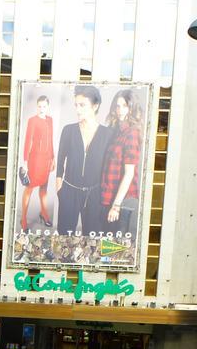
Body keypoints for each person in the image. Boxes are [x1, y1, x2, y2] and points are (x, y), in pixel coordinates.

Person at [55, 85, 114, 237]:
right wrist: (59, 187)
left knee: (92, 238)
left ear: (95, 106)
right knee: (64, 237)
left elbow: (109, 167)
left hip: (94, 193)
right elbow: (60, 160)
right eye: (76, 105)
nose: (78, 109)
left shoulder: (107, 134)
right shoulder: (68, 130)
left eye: (82, 105)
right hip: (69, 190)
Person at [101, 89, 143, 241]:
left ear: (132, 108)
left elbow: (129, 173)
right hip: (110, 196)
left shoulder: (131, 133)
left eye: (124, 106)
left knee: (114, 250)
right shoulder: (117, 131)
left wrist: (116, 206)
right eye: (117, 106)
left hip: (122, 202)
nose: (119, 110)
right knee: (105, 247)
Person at [19, 94, 55, 231]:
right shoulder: (32, 120)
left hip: (46, 160)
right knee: (29, 188)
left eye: (44, 106)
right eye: (39, 106)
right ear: (36, 106)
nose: (41, 109)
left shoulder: (50, 120)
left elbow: (51, 140)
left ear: (48, 107)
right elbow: (28, 141)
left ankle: (44, 213)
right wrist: (25, 162)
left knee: (44, 188)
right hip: (34, 159)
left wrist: (53, 159)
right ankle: (23, 219)